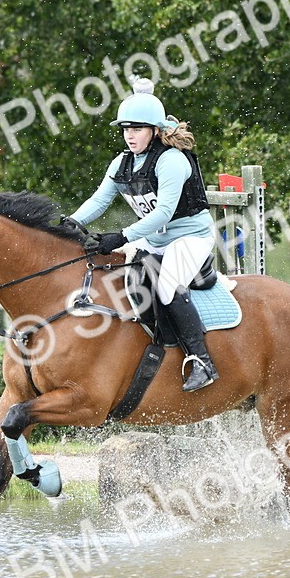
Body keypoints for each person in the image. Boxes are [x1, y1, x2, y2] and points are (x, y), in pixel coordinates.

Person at [66, 78, 219, 392]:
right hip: (155, 239)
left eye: (136, 129)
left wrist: (122, 236)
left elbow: (163, 213)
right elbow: (99, 200)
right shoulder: (122, 163)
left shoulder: (171, 160)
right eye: (125, 129)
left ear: (154, 130)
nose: (130, 135)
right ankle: (154, 348)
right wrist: (69, 223)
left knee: (165, 288)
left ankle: (202, 361)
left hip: (190, 237)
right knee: (122, 280)